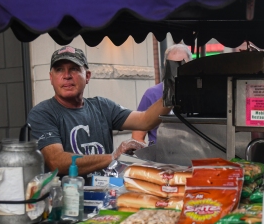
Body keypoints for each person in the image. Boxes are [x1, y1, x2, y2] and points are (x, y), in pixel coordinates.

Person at [28, 46, 171, 177]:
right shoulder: (42, 113)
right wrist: (113, 156)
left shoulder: (102, 107)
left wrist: (173, 92)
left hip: (105, 197)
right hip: (67, 200)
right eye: (59, 69)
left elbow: (145, 120)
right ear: (51, 78)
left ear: (88, 76)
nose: (66, 75)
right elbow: (57, 162)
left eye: (74, 69)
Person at [131, 43, 192, 145]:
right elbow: (137, 136)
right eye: (172, 65)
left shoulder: (199, 94)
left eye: (181, 64)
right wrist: (150, 156)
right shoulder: (152, 94)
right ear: (165, 66)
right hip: (161, 157)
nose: (176, 69)